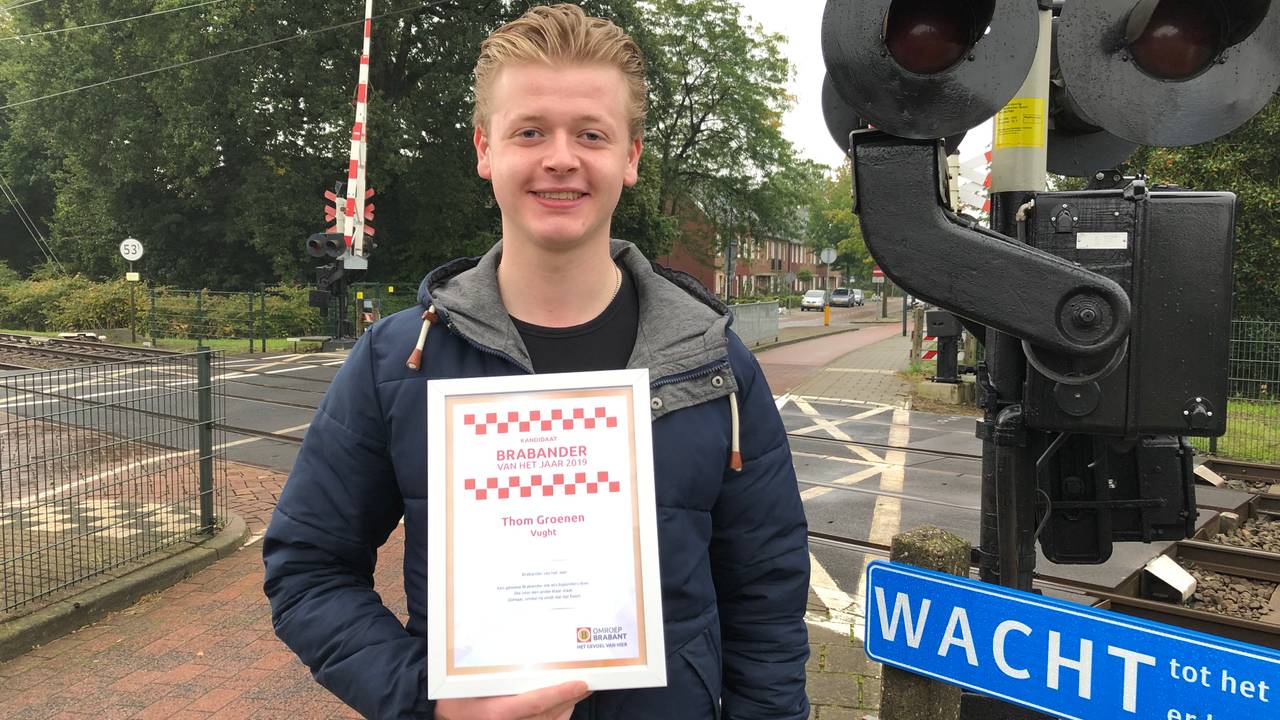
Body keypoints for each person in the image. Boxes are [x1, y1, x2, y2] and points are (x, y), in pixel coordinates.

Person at [262, 4, 810, 719]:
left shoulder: (713, 363)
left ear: (631, 156)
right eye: (530, 132)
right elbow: (309, 570)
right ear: (485, 150)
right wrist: (429, 704)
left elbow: (766, 601)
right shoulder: (398, 361)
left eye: (591, 133)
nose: (561, 157)